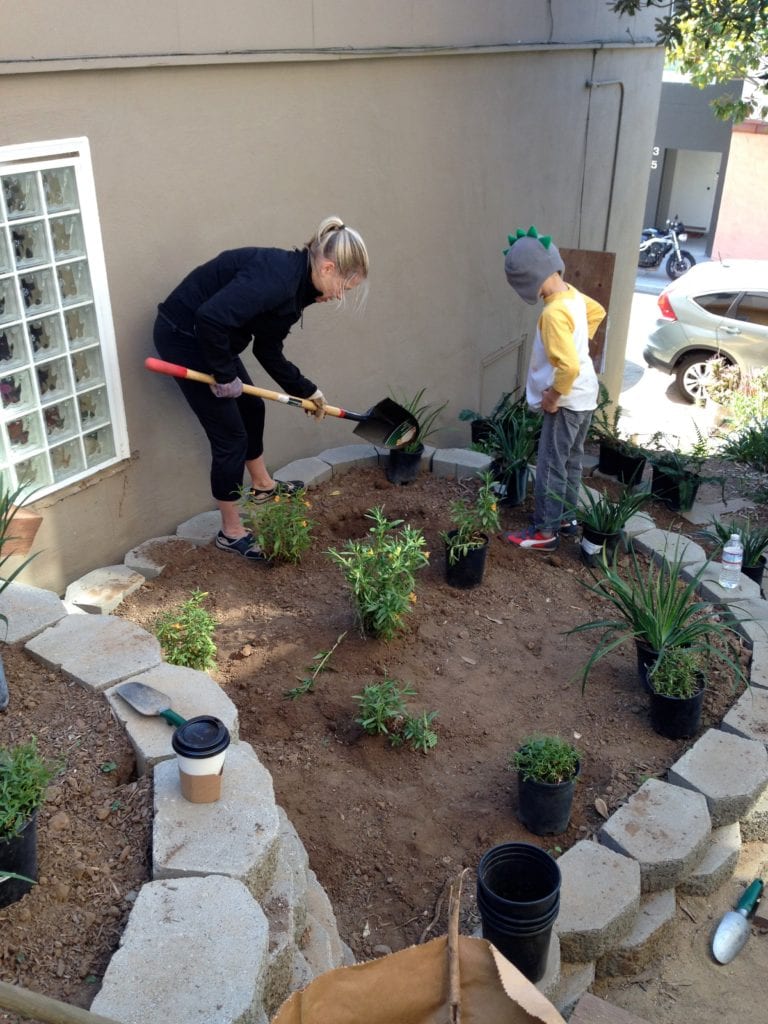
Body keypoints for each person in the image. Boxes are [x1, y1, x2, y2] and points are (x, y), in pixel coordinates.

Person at [153, 216, 369, 560]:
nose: (339, 297)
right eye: (343, 288)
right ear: (328, 268)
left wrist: (308, 391)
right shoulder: (275, 279)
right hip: (186, 336)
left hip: (212, 338)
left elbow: (267, 349)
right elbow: (210, 318)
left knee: (252, 407)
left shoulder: (299, 290)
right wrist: (224, 377)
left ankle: (263, 486)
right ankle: (231, 531)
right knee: (230, 437)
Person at [501, 226, 606, 551]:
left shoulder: (552, 315)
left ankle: (544, 531)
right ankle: (565, 517)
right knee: (572, 460)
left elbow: (569, 366)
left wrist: (552, 396)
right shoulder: (573, 295)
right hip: (586, 396)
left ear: (527, 279)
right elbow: (597, 311)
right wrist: (580, 343)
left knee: (549, 464)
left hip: (566, 400)